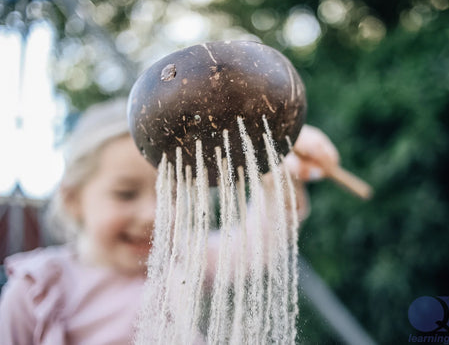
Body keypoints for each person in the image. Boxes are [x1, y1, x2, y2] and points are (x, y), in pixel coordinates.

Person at [0, 98, 340, 344]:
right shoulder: (37, 290)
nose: (153, 215)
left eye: (173, 196)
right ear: (73, 199)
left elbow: (256, 243)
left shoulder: (182, 261)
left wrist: (279, 162)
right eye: (125, 194)